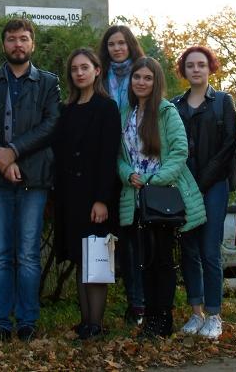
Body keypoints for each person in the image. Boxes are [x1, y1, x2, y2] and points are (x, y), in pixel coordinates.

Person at [0, 18, 60, 342]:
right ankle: (0, 321)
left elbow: (51, 125)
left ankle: (26, 320)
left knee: (28, 254)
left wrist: (14, 151)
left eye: (23, 39)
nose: (17, 44)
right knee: (0, 254)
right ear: (4, 44)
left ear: (32, 44)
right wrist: (3, 162)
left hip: (33, 179)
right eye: (11, 39)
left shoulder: (48, 82)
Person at [117, 57, 206, 338]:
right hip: (134, 197)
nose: (141, 82)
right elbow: (118, 156)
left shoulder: (166, 111)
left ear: (156, 82)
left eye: (148, 78)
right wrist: (128, 174)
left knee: (162, 260)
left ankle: (162, 319)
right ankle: (149, 318)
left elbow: (180, 152)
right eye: (137, 77)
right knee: (142, 260)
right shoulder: (125, 112)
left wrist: (152, 181)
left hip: (161, 196)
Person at [53, 49, 121, 340]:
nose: (79, 73)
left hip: (96, 196)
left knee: (96, 259)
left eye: (85, 67)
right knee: (82, 259)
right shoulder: (66, 109)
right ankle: (85, 322)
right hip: (70, 197)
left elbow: (109, 155)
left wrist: (102, 199)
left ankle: (96, 323)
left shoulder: (107, 107)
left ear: (97, 71)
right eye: (74, 69)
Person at [171, 45, 236, 340]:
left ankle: (213, 315)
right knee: (189, 249)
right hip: (183, 187)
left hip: (214, 186)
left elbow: (228, 146)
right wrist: (186, 182)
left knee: (210, 250)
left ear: (210, 67)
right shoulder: (174, 105)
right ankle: (195, 313)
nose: (196, 69)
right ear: (183, 71)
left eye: (201, 64)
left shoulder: (223, 101)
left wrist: (203, 181)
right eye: (190, 65)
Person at [97, 24, 145, 325]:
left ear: (130, 45)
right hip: (104, 161)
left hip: (133, 165)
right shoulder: (100, 76)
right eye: (111, 44)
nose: (116, 48)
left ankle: (137, 304)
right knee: (105, 237)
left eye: (121, 43)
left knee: (132, 240)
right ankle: (96, 307)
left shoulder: (140, 75)